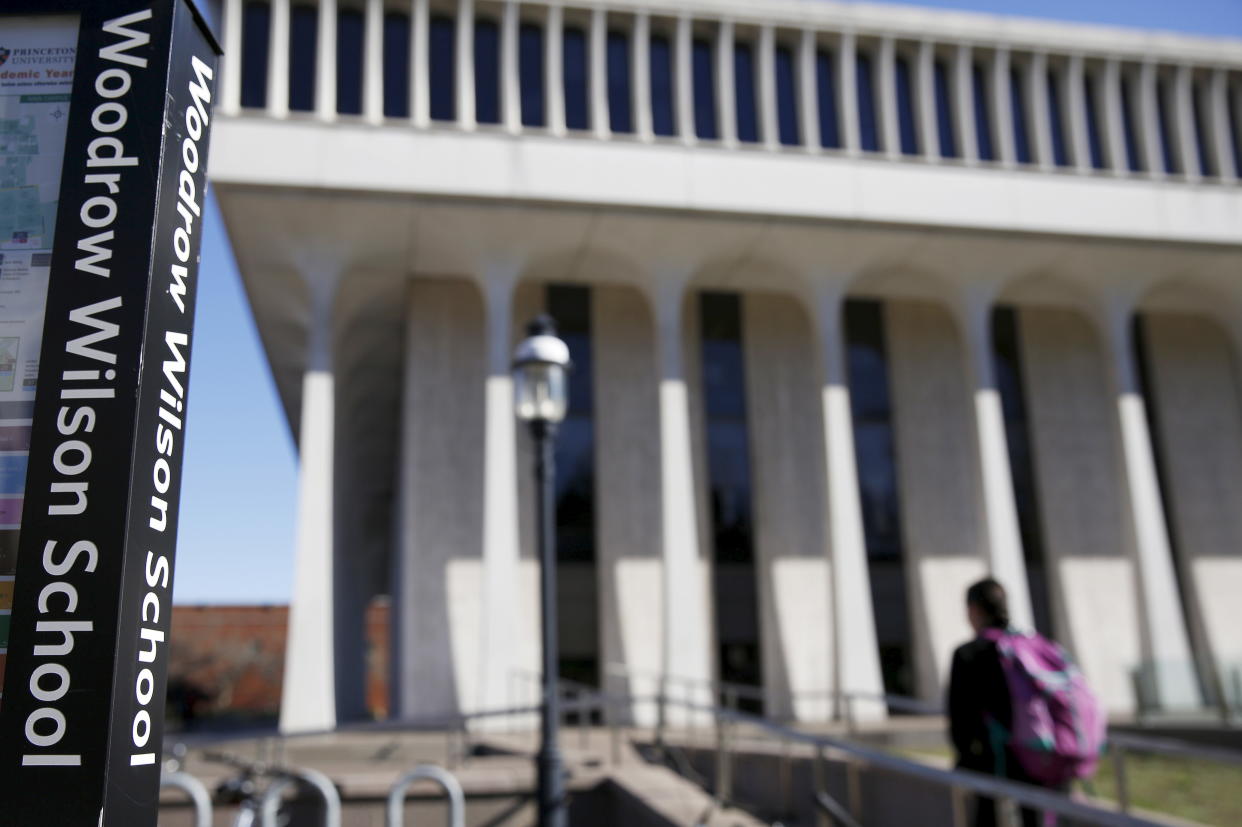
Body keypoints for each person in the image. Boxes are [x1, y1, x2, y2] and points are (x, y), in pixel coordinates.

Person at [947, 578, 1061, 827]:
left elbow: (959, 716)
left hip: (989, 759)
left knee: (986, 818)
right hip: (1037, 751)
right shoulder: (1032, 645)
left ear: (974, 609)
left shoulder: (968, 653)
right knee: (1035, 818)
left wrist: (964, 756)